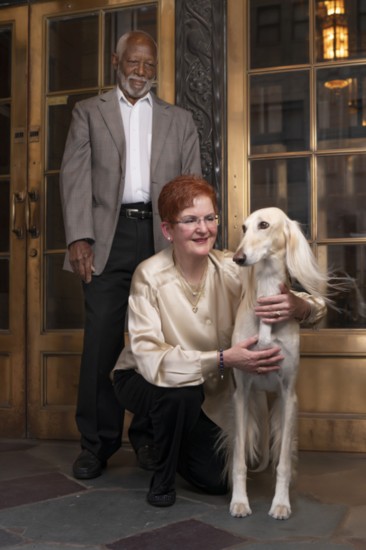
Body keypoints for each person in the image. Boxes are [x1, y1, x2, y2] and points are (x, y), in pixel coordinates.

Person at [112, 175, 326, 507]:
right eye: (190, 220)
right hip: (143, 376)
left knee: (214, 481)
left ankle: (173, 432)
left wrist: (302, 307)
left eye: (209, 218)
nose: (203, 229)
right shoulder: (148, 275)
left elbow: (286, 295)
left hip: (207, 386)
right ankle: (161, 477)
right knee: (178, 394)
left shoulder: (232, 267)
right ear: (168, 230)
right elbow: (151, 359)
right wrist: (225, 359)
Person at [59, 30, 201, 480]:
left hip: (160, 237)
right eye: (133, 63)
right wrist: (79, 237)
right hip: (108, 236)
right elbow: (75, 179)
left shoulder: (180, 120)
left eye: (148, 65)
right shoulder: (88, 112)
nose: (141, 72)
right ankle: (96, 444)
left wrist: (189, 240)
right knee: (101, 341)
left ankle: (148, 439)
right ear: (116, 62)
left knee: (156, 341)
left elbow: (191, 184)